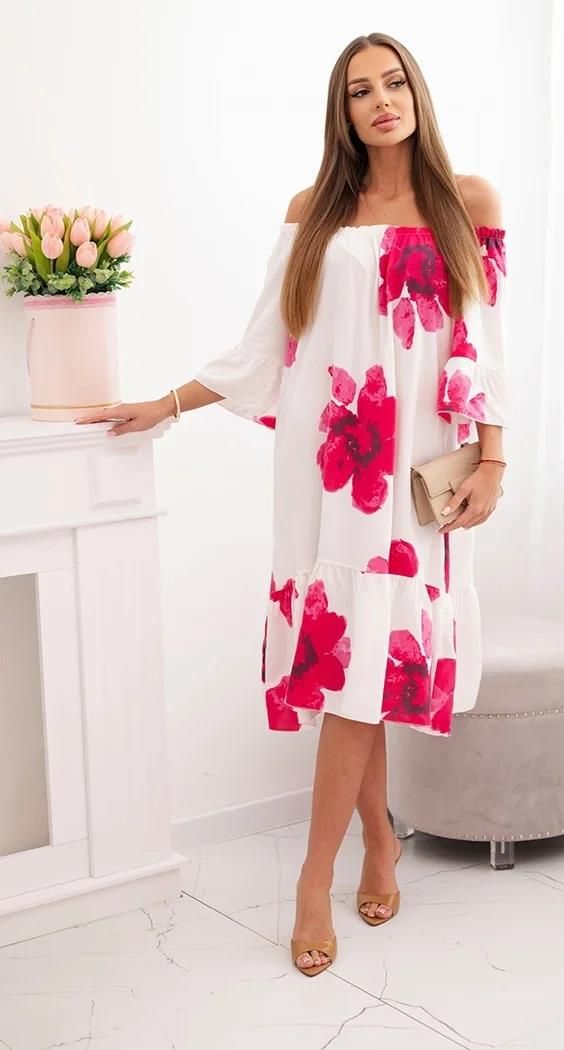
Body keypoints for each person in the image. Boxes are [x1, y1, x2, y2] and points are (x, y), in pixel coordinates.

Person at [74, 32, 510, 977]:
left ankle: (325, 872)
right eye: (360, 91)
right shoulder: (313, 211)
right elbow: (264, 346)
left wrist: (495, 460)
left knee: (369, 663)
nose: (381, 101)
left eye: (393, 82)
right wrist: (168, 404)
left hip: (417, 473)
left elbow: (487, 343)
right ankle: (370, 849)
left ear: (417, 93)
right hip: (333, 470)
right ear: (341, 111)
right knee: (357, 663)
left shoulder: (466, 202)